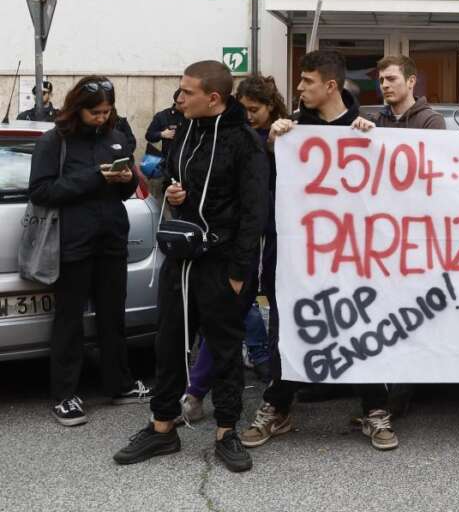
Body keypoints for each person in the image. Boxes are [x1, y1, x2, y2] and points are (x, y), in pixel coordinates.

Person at [113, 61, 268, 472]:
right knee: (168, 344)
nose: (179, 98)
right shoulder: (184, 130)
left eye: (187, 92)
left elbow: (255, 212)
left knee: (224, 350)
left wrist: (239, 272)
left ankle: (227, 431)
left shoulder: (245, 142)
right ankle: (162, 427)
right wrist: (174, 192)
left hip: (222, 262)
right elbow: (173, 177)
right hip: (181, 258)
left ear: (213, 98)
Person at [241, 51, 396, 452]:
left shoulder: (365, 127)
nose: (299, 88)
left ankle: (375, 407)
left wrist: (374, 141)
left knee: (362, 322)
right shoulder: (292, 130)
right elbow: (267, 186)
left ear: (330, 86)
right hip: (299, 255)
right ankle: (278, 405)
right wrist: (272, 145)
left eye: (307, 81)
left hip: (353, 254)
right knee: (288, 327)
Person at [29, 76, 151, 427]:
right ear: (77, 108)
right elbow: (41, 191)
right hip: (72, 243)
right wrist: (96, 177)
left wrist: (127, 179)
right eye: (95, 112)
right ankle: (65, 395)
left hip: (111, 240)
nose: (102, 117)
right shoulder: (54, 141)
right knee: (69, 322)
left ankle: (119, 385)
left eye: (107, 111)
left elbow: (126, 189)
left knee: (113, 317)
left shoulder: (114, 137)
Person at [177, 75, 286, 423]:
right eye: (245, 109)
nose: (249, 116)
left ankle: (278, 391)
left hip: (277, 239)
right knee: (225, 317)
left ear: (272, 107)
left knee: (275, 316)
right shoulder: (235, 137)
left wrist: (279, 143)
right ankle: (196, 391)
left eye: (256, 110)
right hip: (243, 243)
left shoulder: (285, 135)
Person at [355, 55, 446, 130]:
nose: (384, 85)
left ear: (411, 81)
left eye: (391, 79)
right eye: (381, 80)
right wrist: (361, 132)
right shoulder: (375, 120)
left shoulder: (430, 120)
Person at [144, 89, 185, 159]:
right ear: (175, 101)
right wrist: (162, 134)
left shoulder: (195, 116)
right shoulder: (163, 116)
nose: (184, 105)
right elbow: (149, 135)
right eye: (180, 103)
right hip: (170, 160)